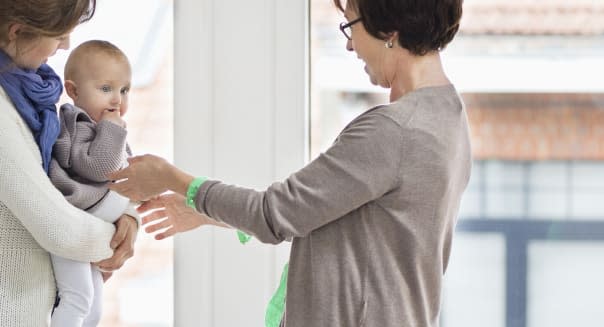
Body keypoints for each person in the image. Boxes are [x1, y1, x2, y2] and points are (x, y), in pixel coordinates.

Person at [109, 0, 471, 326]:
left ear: (389, 29)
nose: (349, 44)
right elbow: (326, 214)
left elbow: (275, 214)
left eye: (351, 25)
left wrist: (170, 178)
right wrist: (206, 211)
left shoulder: (393, 131)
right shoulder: (448, 116)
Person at [0, 1, 139, 326]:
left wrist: (130, 217)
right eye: (59, 35)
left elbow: (119, 174)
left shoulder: (32, 95)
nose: (66, 45)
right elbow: (58, 229)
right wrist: (117, 239)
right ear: (17, 32)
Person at [48, 40, 133, 327]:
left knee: (95, 310)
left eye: (124, 90)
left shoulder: (106, 130)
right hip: (69, 227)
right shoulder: (76, 124)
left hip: (92, 229)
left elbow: (129, 174)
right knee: (77, 298)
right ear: (73, 91)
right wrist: (112, 131)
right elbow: (99, 168)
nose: (117, 100)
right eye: (106, 89)